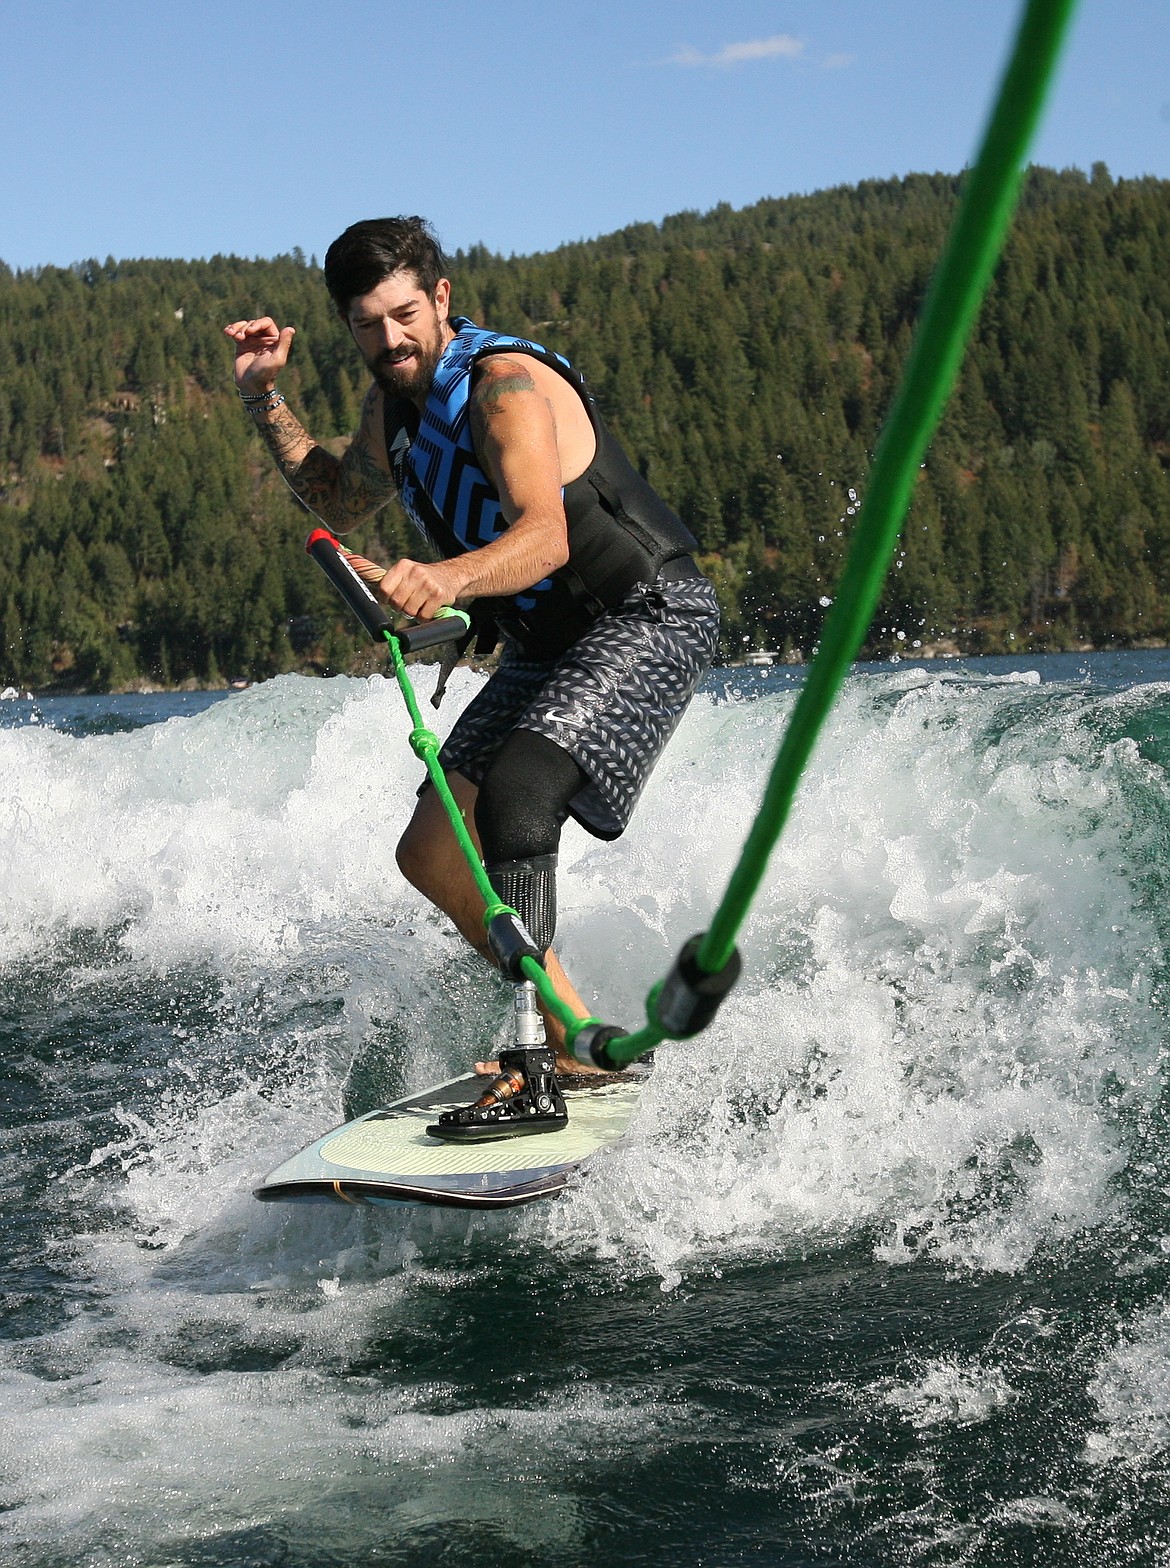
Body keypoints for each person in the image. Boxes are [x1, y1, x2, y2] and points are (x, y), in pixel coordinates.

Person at [224, 216, 719, 1105]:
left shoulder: (503, 388)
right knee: (434, 847)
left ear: (441, 298)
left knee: (522, 799)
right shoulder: (394, 404)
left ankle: (544, 1058)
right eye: (367, 325)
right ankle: (583, 1037)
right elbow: (342, 496)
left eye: (404, 315)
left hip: (646, 614)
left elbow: (545, 535)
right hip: (550, 648)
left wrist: (446, 575)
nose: (390, 339)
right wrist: (265, 398)